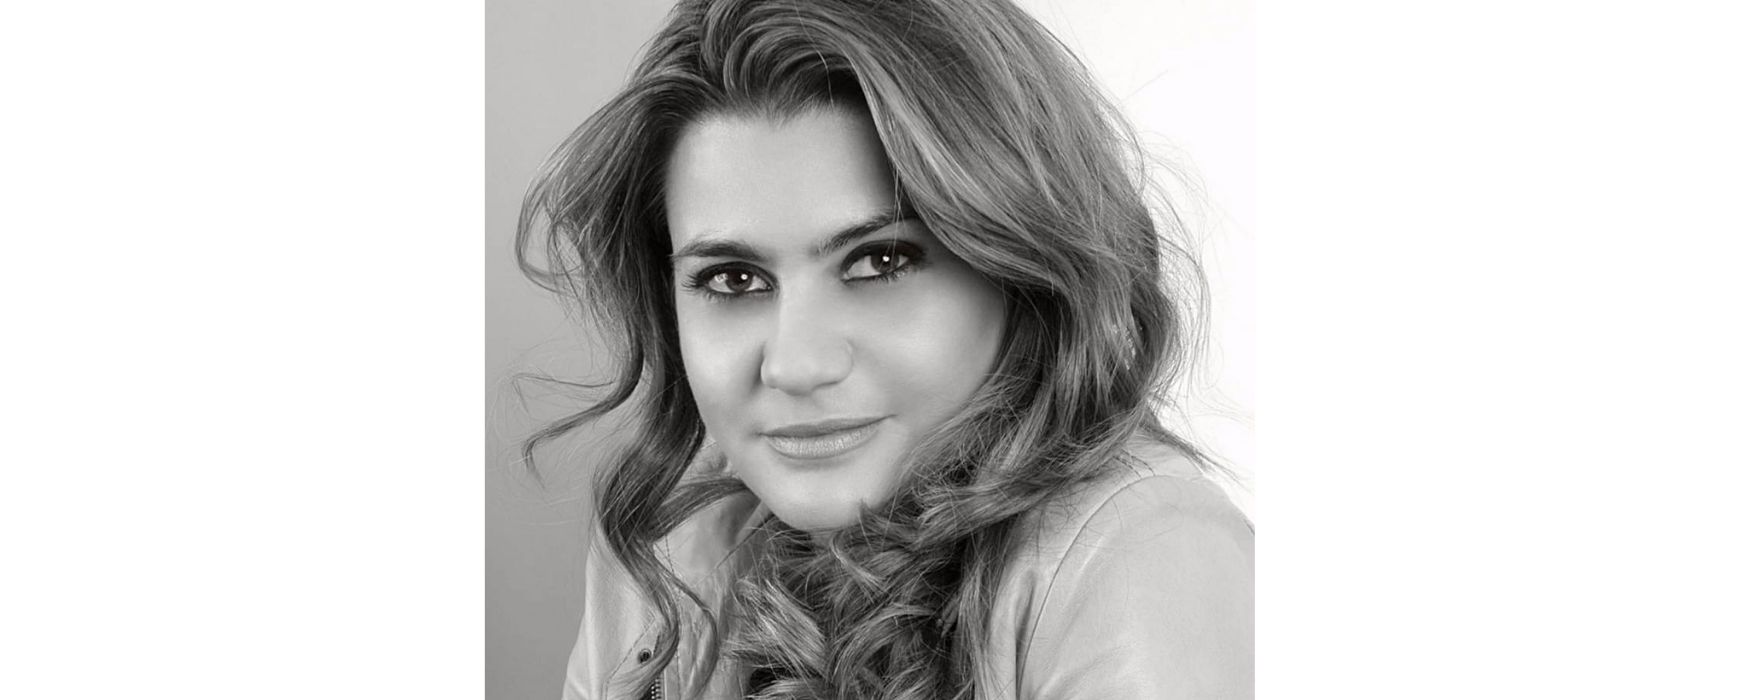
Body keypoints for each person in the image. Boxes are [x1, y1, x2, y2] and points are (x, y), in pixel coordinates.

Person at [516, 0, 1253, 697]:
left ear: (1024, 270)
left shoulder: (1138, 554)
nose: (796, 365)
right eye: (733, 278)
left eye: (881, 262)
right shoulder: (669, 540)